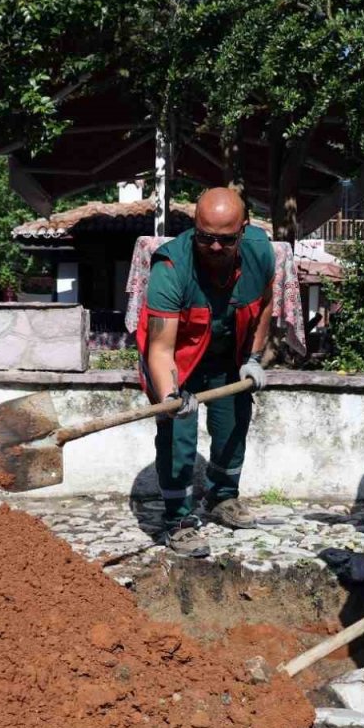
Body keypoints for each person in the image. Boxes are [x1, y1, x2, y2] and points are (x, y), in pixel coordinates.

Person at [136, 188, 274, 558]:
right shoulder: (171, 268)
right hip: (177, 360)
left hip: (227, 355)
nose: (214, 247)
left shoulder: (261, 252)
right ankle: (178, 520)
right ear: (194, 228)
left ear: (243, 231)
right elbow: (161, 348)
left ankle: (222, 497)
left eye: (225, 240)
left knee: (233, 423)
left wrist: (254, 357)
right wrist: (169, 397)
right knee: (178, 435)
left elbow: (264, 304)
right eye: (205, 237)